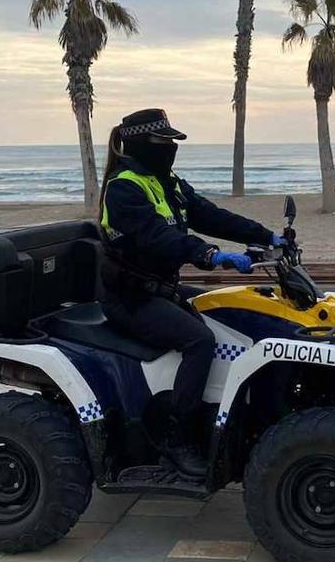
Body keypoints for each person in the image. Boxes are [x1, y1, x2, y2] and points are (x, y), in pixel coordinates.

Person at [98, 108, 282, 477]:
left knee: (229, 311)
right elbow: (158, 236)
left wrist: (265, 236)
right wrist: (210, 255)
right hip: (129, 297)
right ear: (140, 144)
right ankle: (177, 438)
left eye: (172, 142)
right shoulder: (124, 188)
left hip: (160, 289)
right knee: (198, 340)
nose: (170, 148)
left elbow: (210, 215)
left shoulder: (168, 183)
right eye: (163, 142)